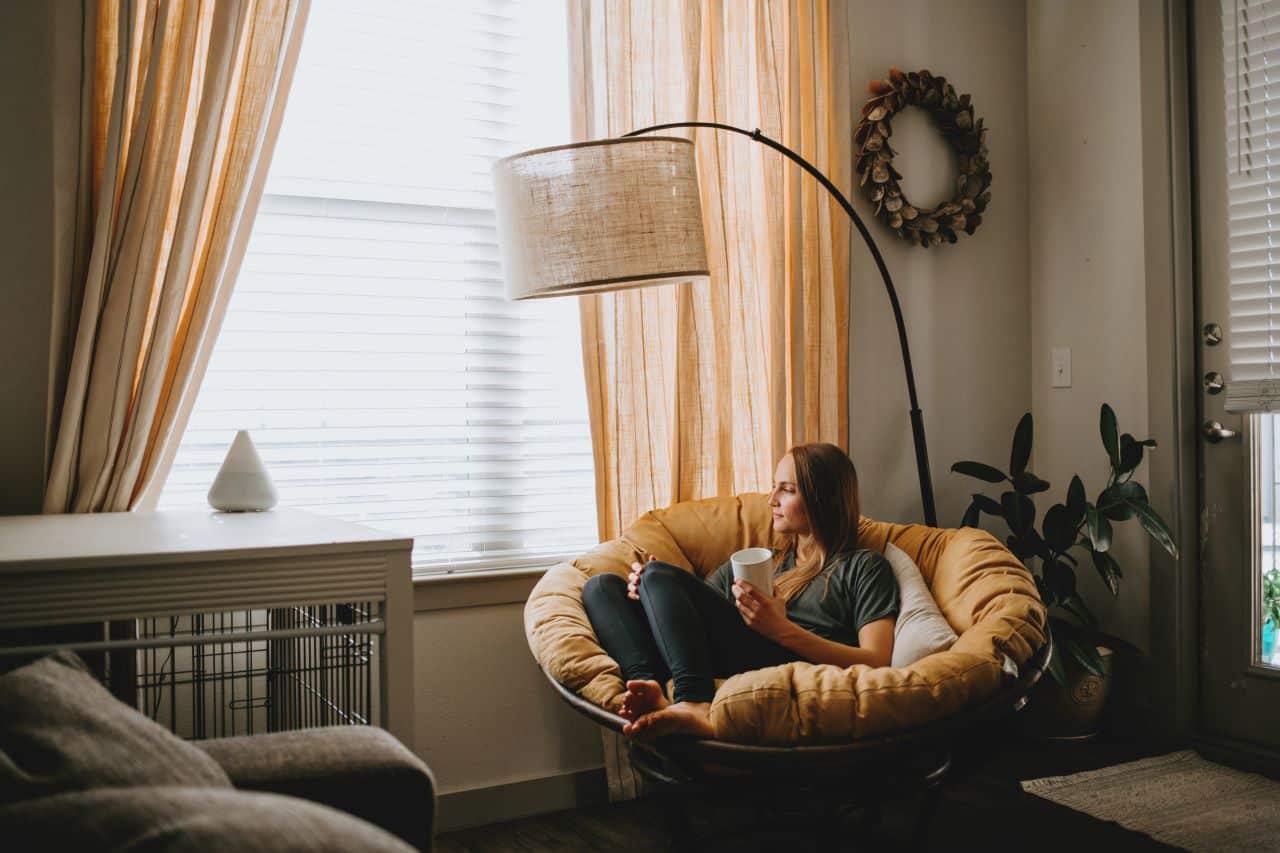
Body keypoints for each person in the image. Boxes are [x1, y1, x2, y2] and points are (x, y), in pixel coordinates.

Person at [581, 442, 899, 739]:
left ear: (824, 499)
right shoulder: (763, 562)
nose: (772, 499)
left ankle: (695, 702)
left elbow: (876, 661)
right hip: (725, 653)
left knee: (659, 576)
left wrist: (782, 630)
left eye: (787, 490)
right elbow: (690, 618)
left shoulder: (863, 567)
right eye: (774, 486)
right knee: (601, 587)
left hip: (785, 662)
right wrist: (647, 595)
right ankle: (649, 688)